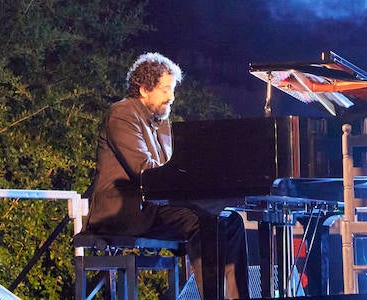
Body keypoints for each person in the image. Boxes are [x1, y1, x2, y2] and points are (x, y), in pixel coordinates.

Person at [85, 52, 247, 299]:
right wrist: (190, 183)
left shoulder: (161, 120)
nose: (171, 97)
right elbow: (143, 170)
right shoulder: (122, 113)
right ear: (144, 89)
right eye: (165, 90)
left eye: (172, 90)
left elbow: (172, 168)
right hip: (124, 211)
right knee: (200, 220)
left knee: (230, 220)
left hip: (155, 206)